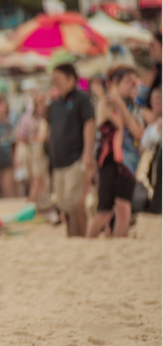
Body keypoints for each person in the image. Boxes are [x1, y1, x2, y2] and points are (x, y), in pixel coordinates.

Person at [87, 65, 145, 238]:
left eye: (134, 82)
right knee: (104, 211)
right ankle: (87, 243)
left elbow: (139, 133)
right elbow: (111, 125)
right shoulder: (105, 102)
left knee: (123, 208)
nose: (132, 86)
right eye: (128, 81)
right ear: (114, 82)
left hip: (128, 162)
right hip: (109, 160)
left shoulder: (133, 106)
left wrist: (121, 106)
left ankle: (119, 244)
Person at [48, 63, 96, 237]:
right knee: (63, 204)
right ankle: (72, 236)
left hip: (75, 157)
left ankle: (80, 237)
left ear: (71, 79)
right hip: (58, 160)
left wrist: (87, 154)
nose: (55, 82)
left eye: (58, 79)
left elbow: (89, 124)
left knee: (75, 202)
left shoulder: (81, 99)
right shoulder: (55, 103)